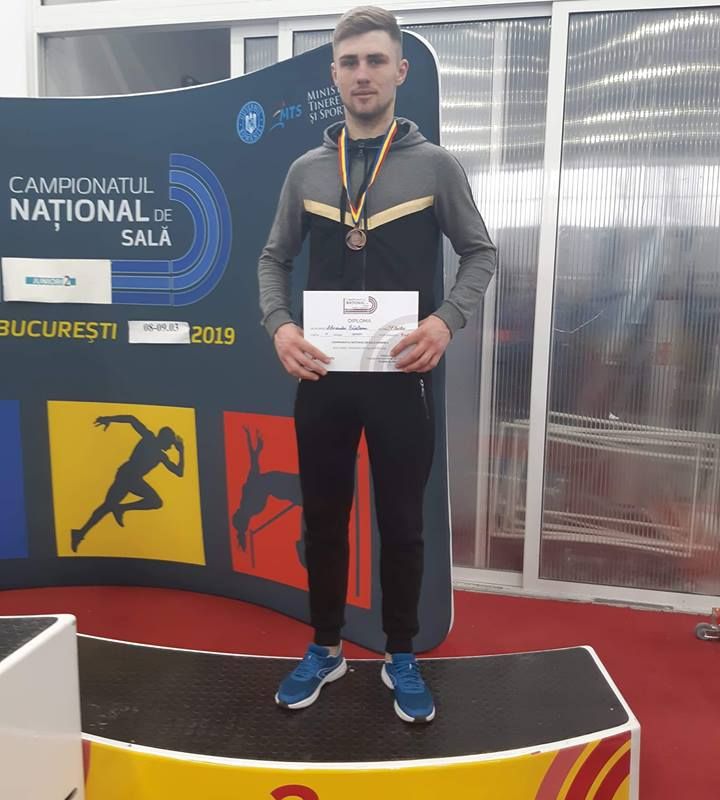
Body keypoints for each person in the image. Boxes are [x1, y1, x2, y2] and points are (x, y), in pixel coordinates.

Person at [258, 5, 496, 723]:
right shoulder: (305, 170)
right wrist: (280, 327)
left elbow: (480, 253)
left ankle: (401, 654)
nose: (362, 74)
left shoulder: (434, 166)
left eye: (375, 61)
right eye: (349, 62)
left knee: (402, 524)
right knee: (323, 520)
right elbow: (273, 259)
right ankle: (325, 647)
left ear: (400, 70)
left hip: (401, 381)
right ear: (334, 76)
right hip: (324, 379)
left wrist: (445, 321)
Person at [71, 415, 184, 552]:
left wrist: (181, 451)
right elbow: (131, 419)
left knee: (109, 506)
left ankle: (81, 532)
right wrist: (108, 418)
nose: (171, 447)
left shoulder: (161, 456)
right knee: (151, 502)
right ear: (163, 439)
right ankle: (117, 510)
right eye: (170, 443)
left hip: (132, 478)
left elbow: (179, 472)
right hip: (127, 476)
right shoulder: (149, 438)